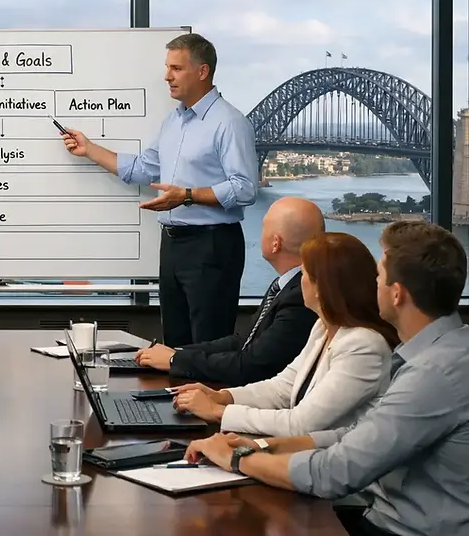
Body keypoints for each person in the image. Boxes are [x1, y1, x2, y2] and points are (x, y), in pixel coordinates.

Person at [182, 221, 469, 536]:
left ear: (397, 293)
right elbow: (362, 434)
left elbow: (334, 473)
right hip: (381, 518)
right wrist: (266, 446)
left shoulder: (434, 374)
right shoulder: (445, 352)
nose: (372, 284)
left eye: (378, 276)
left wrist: (236, 459)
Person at [61, 33, 258, 347]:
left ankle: (207, 398)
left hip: (213, 246)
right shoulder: (173, 122)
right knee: (174, 345)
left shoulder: (229, 123)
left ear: (202, 71)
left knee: (208, 348)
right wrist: (90, 149)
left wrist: (187, 196)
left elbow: (245, 188)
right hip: (173, 248)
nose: (167, 76)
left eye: (176, 68)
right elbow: (143, 168)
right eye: (168, 67)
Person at [173, 232, 397, 437]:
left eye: (305, 273)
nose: (300, 281)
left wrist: (219, 412)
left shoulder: (364, 346)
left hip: (338, 471)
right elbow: (282, 388)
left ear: (321, 288)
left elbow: (301, 423)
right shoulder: (323, 327)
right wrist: (223, 396)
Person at [135, 196, 323, 386]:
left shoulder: (300, 297)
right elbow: (242, 341)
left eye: (263, 227)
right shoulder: (288, 285)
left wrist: (175, 361)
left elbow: (250, 366)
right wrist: (177, 352)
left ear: (276, 244)